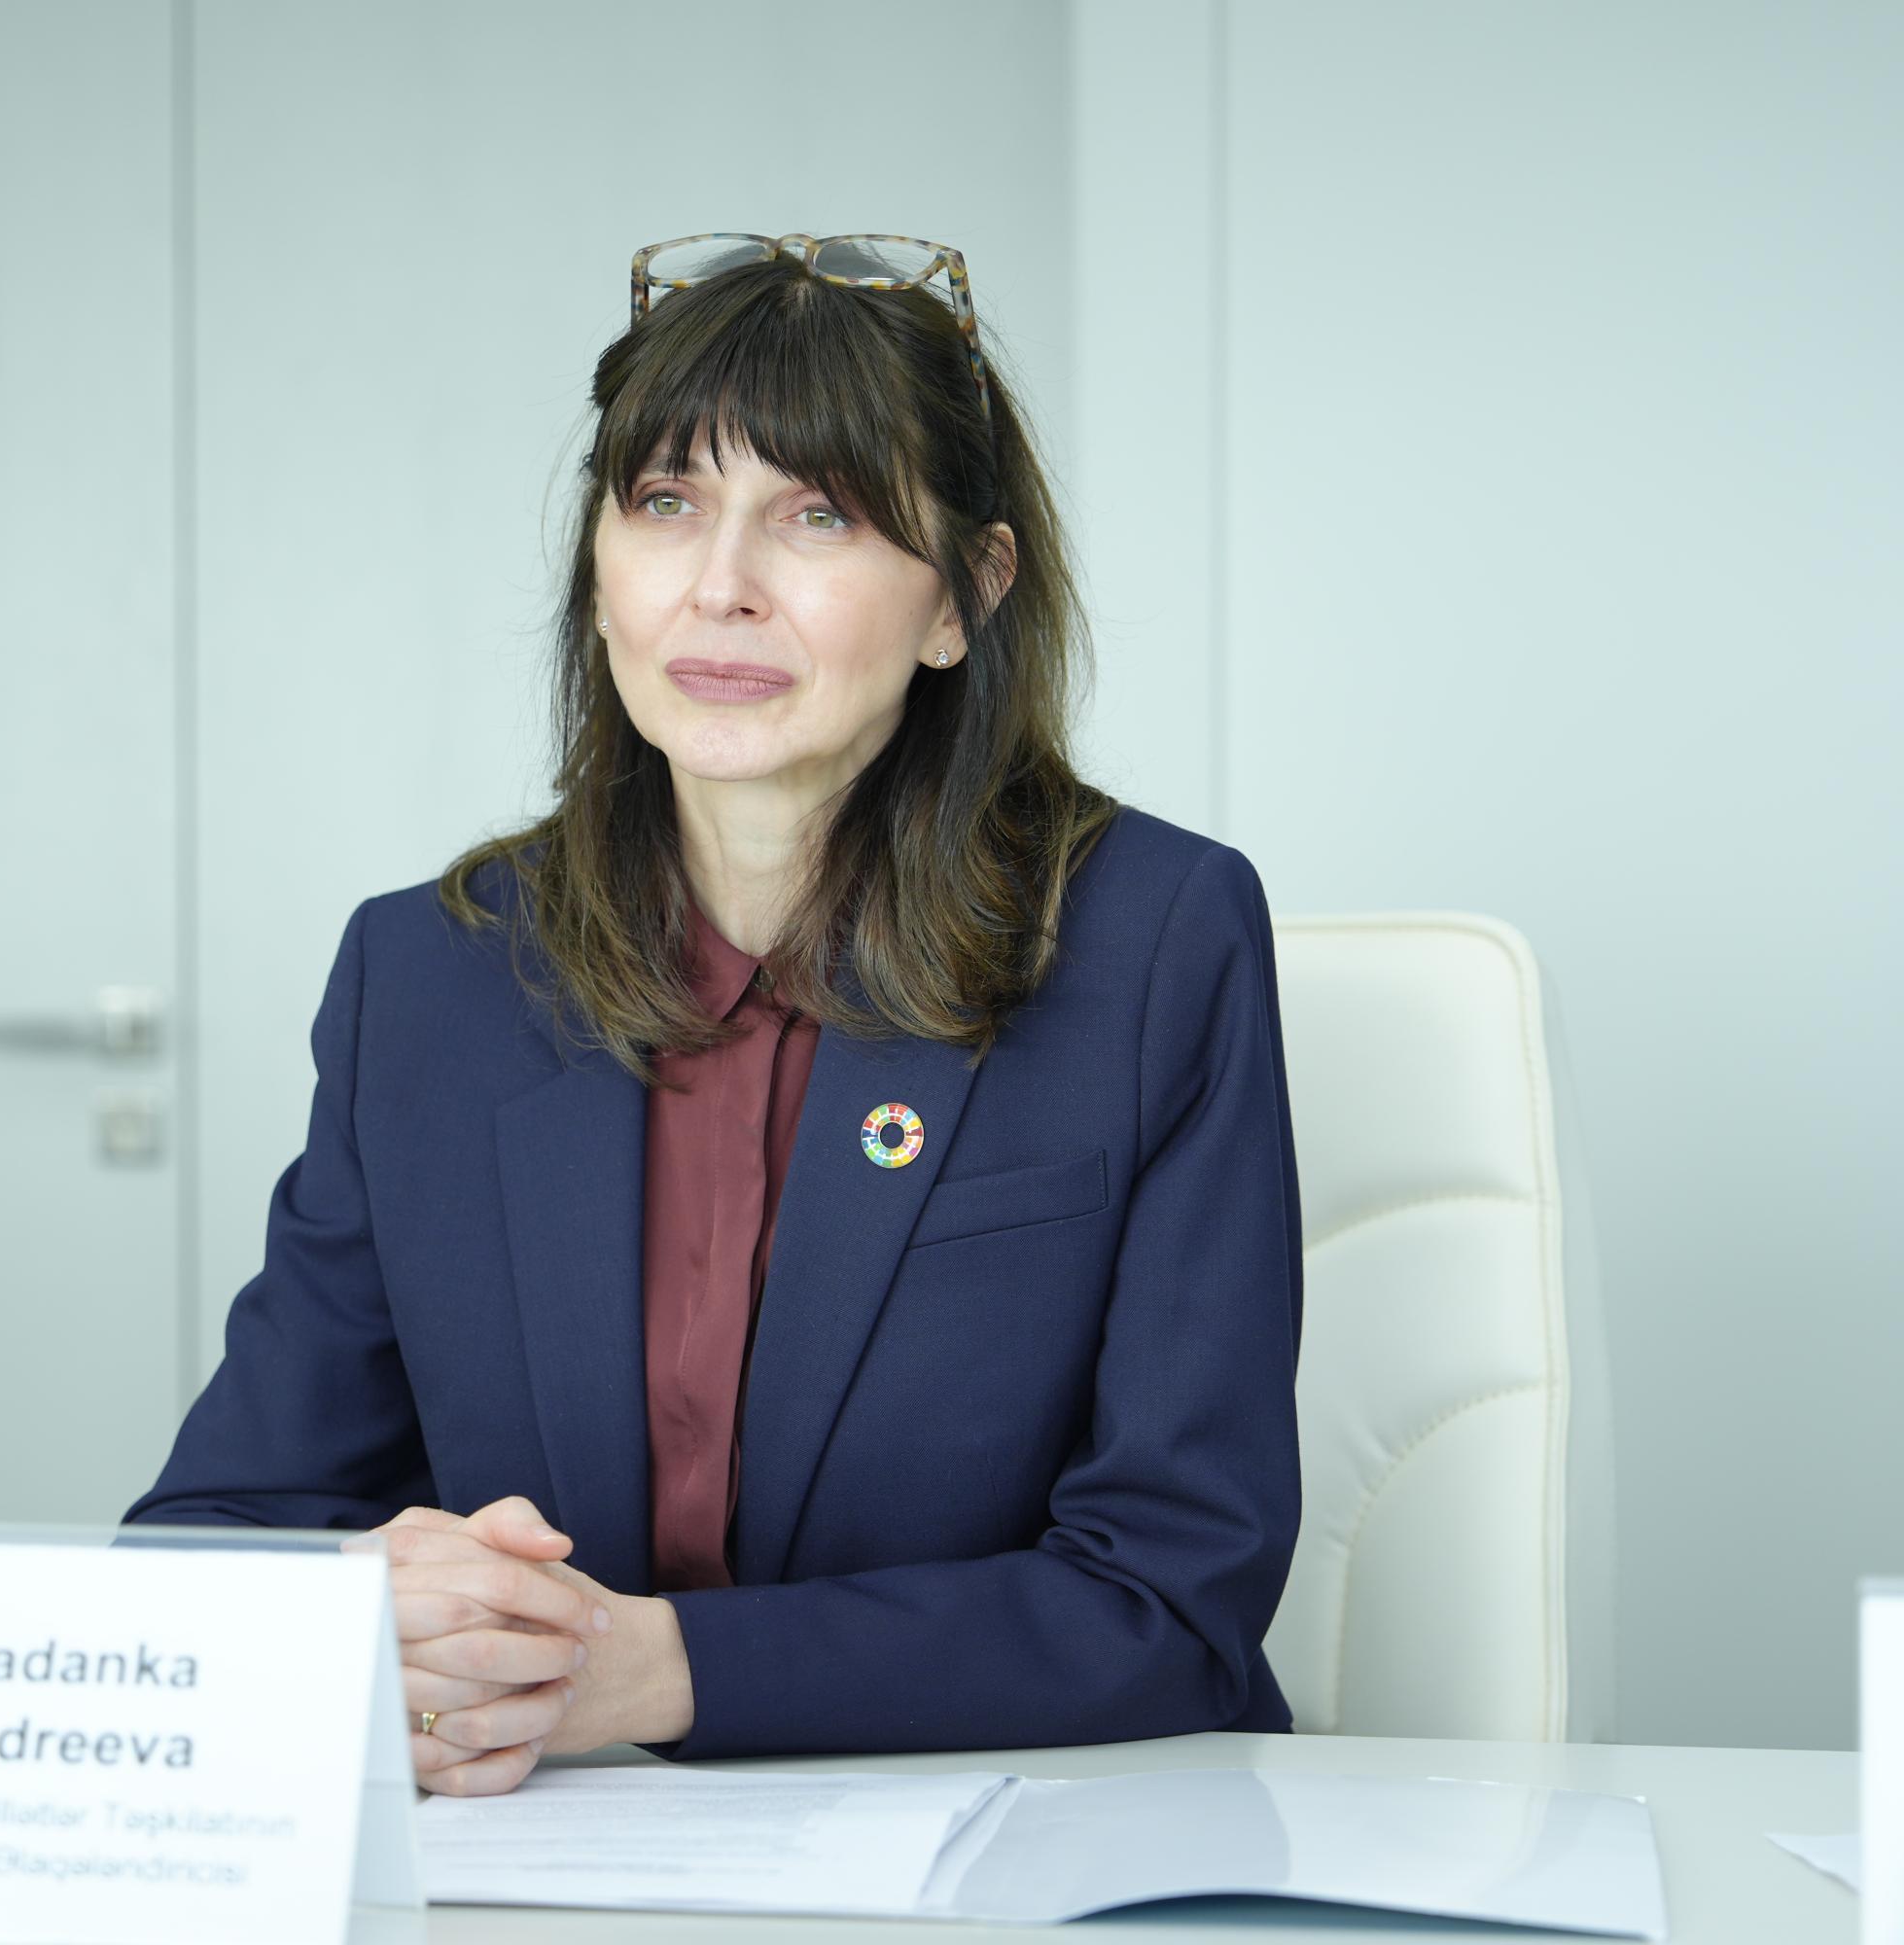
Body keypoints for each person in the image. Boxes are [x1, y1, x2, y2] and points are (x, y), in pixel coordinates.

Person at [123, 231, 1304, 1796]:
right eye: (667, 502)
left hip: (1032, 1833)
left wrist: (655, 1670)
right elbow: (213, 1539)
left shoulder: (1153, 942)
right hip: (551, 1848)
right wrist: (367, 1615)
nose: (721, 587)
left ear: (965, 595)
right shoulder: (435, 977)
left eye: (820, 516)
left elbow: (1172, 1596)